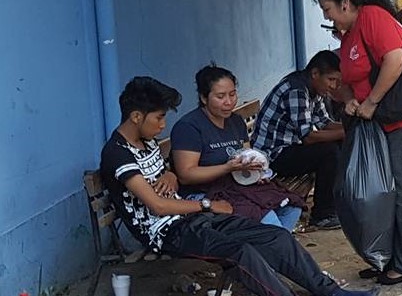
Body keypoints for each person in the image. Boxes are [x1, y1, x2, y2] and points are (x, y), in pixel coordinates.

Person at [100, 76, 380, 296]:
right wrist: (207, 205)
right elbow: (157, 205)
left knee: (276, 236)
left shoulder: (145, 141)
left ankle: (330, 291)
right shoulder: (117, 154)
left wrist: (171, 174)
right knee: (240, 253)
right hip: (169, 233)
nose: (163, 125)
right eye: (159, 117)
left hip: (194, 219)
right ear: (136, 116)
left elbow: (168, 176)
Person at [312, 0, 402, 285]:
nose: (325, 15)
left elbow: (395, 62)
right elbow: (351, 79)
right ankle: (388, 257)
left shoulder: (373, 18)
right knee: (383, 192)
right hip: (380, 122)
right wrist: (352, 101)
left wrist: (372, 102)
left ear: (346, 3)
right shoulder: (348, 32)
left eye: (327, 8)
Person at [171, 66, 305, 232]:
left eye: (232, 94)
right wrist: (227, 168)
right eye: (220, 96)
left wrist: (258, 172)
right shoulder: (189, 127)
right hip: (206, 193)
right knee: (264, 217)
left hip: (237, 186)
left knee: (291, 205)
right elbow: (186, 175)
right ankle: (275, 247)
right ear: (204, 98)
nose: (228, 102)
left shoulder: (235, 121)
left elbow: (247, 155)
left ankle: (272, 248)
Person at [251, 50, 345, 230]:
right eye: (331, 80)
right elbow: (309, 136)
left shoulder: (314, 90)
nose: (334, 86)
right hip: (272, 157)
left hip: (291, 148)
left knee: (337, 146)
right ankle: (322, 215)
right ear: (315, 73)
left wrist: (351, 128)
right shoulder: (296, 90)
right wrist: (346, 133)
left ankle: (338, 202)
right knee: (329, 153)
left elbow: (324, 123)